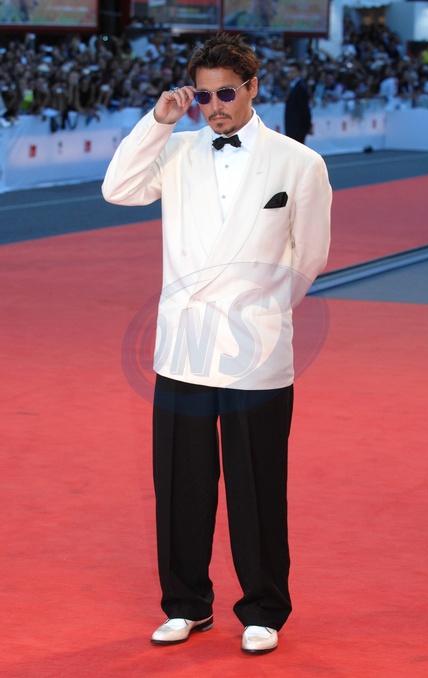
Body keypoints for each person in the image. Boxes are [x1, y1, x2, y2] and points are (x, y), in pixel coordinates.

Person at [102, 33, 331, 655]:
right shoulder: (175, 151)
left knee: (258, 485)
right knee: (182, 483)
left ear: (253, 88)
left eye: (226, 94)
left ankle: (264, 609)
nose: (214, 107)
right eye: (203, 97)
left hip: (255, 347)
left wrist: (264, 310)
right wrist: (158, 121)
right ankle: (185, 605)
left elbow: (309, 255)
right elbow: (118, 188)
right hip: (184, 346)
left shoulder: (299, 163)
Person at [284, 61, 312, 144]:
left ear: (299, 72)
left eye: (293, 72)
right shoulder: (292, 86)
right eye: (289, 72)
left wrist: (306, 125)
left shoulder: (300, 87)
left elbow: (304, 109)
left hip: (298, 126)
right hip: (292, 125)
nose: (291, 74)